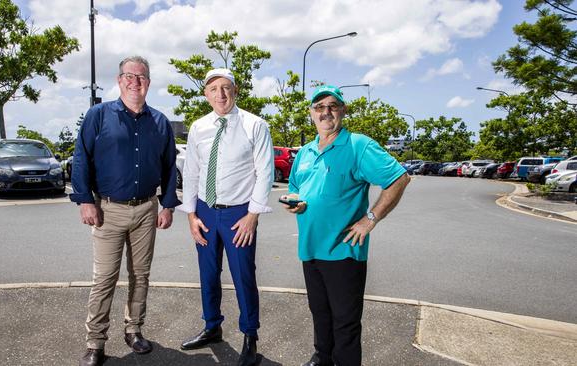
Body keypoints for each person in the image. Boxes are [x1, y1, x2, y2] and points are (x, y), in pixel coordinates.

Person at [282, 85, 410, 366]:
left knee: (345, 321)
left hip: (343, 250)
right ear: (311, 114)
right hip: (310, 247)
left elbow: (399, 179)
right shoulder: (304, 152)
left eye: (332, 106)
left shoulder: (358, 146)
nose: (325, 112)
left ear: (343, 110)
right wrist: (296, 202)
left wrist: (370, 219)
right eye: (319, 107)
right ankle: (322, 358)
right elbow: (295, 188)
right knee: (320, 311)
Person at [70, 55, 181, 366]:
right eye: (130, 76)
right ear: (119, 80)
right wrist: (85, 200)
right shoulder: (99, 115)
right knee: (104, 278)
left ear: (148, 83)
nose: (136, 81)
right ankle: (95, 343)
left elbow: (170, 167)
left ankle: (134, 330)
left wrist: (168, 205)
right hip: (107, 210)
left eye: (142, 76)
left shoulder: (159, 121)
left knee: (140, 275)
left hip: (147, 209)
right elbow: (82, 158)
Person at [177, 68, 274, 366]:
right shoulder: (198, 127)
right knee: (208, 274)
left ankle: (250, 338)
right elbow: (191, 172)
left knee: (243, 276)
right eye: (213, 89)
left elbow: (265, 172)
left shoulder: (255, 125)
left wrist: (252, 215)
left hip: (239, 214)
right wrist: (191, 215)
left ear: (235, 90)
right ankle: (212, 326)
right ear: (206, 94)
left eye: (226, 88)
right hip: (205, 211)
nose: (220, 94)